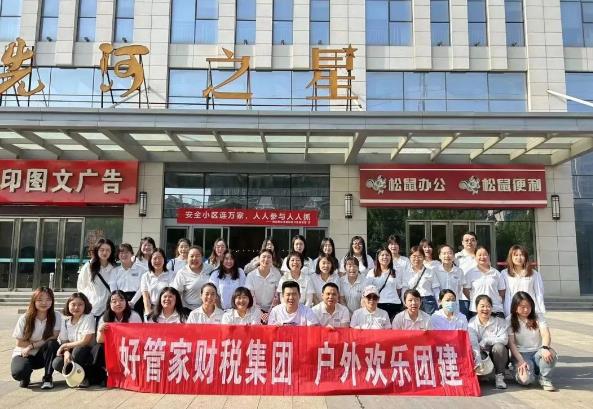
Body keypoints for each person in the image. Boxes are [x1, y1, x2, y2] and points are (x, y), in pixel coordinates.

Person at [11, 287, 61, 390]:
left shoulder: (56, 316)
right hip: (24, 354)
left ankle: (47, 377)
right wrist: (37, 344)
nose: (44, 303)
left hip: (42, 355)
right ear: (34, 301)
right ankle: (26, 375)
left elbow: (53, 337)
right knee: (19, 372)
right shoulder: (25, 318)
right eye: (40, 299)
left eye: (48, 299)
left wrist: (31, 345)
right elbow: (20, 343)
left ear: (52, 301)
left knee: (52, 344)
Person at [507, 292, 557, 391]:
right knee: (525, 380)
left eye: (528, 306)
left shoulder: (538, 316)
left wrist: (545, 348)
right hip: (521, 354)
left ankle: (545, 378)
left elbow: (545, 334)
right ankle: (523, 371)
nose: (526, 310)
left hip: (538, 352)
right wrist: (520, 361)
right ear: (515, 307)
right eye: (522, 307)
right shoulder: (510, 320)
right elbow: (511, 343)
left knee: (551, 353)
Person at [92, 290, 143, 384]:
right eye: (114, 301)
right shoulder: (104, 317)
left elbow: (140, 337)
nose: (118, 303)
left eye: (121, 300)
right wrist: (101, 331)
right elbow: (99, 340)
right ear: (109, 304)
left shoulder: (134, 316)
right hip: (112, 347)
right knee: (98, 348)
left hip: (129, 347)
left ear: (126, 302)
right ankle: (103, 375)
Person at [52, 293, 96, 388]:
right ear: (68, 305)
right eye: (73, 304)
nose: (76, 307)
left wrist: (64, 346)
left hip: (87, 352)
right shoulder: (65, 320)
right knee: (57, 363)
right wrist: (66, 353)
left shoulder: (88, 317)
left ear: (85, 305)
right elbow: (64, 341)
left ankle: (85, 378)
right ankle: (76, 377)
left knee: (78, 351)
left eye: (80, 304)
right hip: (72, 350)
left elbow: (85, 341)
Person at [468, 294, 509, 389]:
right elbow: (473, 343)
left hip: (496, 354)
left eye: (488, 306)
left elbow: (504, 339)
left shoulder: (499, 322)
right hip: (480, 355)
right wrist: (478, 359)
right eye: (482, 306)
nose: (485, 309)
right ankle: (483, 374)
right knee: (473, 350)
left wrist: (486, 340)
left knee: (499, 347)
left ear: (492, 308)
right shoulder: (471, 323)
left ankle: (499, 376)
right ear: (476, 308)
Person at [77, 238, 117, 321]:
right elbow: (81, 287)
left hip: (108, 308)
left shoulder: (114, 268)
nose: (105, 253)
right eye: (102, 250)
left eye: (108, 250)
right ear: (97, 250)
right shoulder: (88, 266)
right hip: (92, 308)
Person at [501, 245, 546, 317]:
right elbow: (503, 294)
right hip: (512, 310)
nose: (519, 258)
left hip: (529, 310)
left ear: (526, 257)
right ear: (511, 257)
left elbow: (539, 293)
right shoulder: (504, 273)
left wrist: (541, 311)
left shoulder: (534, 274)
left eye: (521, 255)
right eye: (516, 255)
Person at [463, 246, 506, 319]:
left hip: (495, 309)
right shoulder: (470, 273)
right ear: (475, 256)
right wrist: (474, 299)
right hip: (476, 310)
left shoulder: (496, 273)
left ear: (489, 256)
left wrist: (497, 300)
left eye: (485, 254)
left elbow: (502, 290)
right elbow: (465, 290)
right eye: (479, 255)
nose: (482, 257)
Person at [171, 245, 214, 312]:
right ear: (187, 258)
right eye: (191, 256)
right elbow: (176, 293)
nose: (194, 258)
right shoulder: (182, 273)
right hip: (189, 310)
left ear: (202, 257)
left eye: (197, 256)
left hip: (208, 308)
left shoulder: (209, 268)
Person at [244, 249, 282, 324]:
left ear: (272, 260)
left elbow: (277, 295)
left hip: (273, 309)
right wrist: (260, 313)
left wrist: (270, 312)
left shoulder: (277, 274)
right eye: (264, 257)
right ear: (259, 259)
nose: (266, 259)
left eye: (269, 257)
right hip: (254, 309)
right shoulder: (251, 275)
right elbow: (251, 296)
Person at [366, 247, 403, 320]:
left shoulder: (396, 272)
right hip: (378, 304)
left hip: (394, 304)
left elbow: (398, 289)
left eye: (387, 255)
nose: (385, 257)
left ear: (390, 257)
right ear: (378, 257)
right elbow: (367, 290)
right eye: (382, 255)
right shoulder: (372, 272)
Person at [401, 246, 440, 315]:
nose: (417, 259)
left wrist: (440, 304)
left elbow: (436, 289)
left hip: (427, 301)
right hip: (412, 301)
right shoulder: (406, 272)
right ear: (410, 257)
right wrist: (405, 303)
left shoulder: (430, 271)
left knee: (430, 320)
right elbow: (404, 289)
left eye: (419, 256)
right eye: (414, 256)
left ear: (424, 257)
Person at [110, 243, 145, 317]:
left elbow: (142, 288)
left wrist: (132, 302)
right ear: (118, 255)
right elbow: (113, 289)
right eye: (121, 252)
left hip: (137, 300)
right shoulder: (114, 271)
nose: (124, 255)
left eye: (126, 252)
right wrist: (120, 301)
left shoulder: (141, 270)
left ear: (132, 254)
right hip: (120, 300)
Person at [139, 248, 175, 319]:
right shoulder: (146, 276)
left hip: (168, 308)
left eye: (160, 258)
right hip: (151, 308)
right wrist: (148, 311)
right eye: (155, 258)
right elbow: (145, 297)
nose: (157, 261)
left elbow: (172, 294)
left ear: (164, 260)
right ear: (150, 260)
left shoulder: (172, 274)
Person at [434, 244, 464, 310]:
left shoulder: (459, 271)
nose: (447, 256)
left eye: (450, 253)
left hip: (455, 304)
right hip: (440, 305)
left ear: (454, 256)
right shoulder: (435, 271)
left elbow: (459, 289)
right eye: (444, 253)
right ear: (439, 256)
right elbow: (435, 289)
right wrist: (440, 303)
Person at [455, 232, 478, 317]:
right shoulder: (457, 257)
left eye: (472, 240)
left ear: (476, 242)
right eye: (466, 240)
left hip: (478, 297)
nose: (469, 242)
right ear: (462, 242)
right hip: (462, 298)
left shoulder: (480, 256)